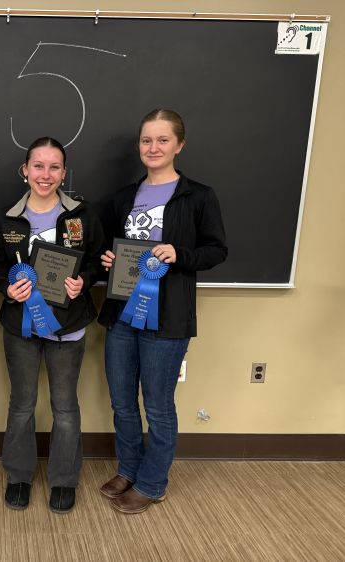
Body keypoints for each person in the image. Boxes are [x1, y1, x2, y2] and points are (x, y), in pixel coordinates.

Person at [98, 109, 227, 514]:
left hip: (168, 319)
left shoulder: (198, 196)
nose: (153, 148)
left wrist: (179, 253)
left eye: (162, 140)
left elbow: (216, 251)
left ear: (179, 145)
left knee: (157, 405)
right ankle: (129, 469)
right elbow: (115, 249)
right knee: (121, 401)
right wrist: (108, 261)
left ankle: (153, 483)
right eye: (146, 141)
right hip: (122, 314)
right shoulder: (123, 198)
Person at [0, 137, 104, 513]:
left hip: (67, 329)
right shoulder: (6, 217)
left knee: (65, 406)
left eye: (54, 167)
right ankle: (19, 475)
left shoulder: (82, 215)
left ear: (64, 173)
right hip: (20, 327)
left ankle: (64, 479)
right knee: (21, 404)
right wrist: (9, 288)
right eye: (38, 166)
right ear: (25, 171)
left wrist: (83, 282)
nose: (45, 174)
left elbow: (94, 263)